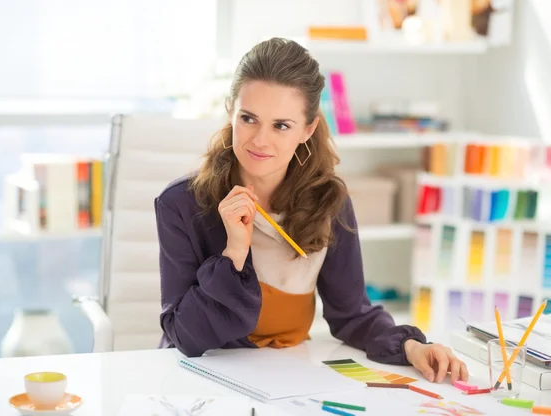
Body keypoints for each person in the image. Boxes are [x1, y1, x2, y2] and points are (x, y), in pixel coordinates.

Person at [155, 37, 468, 384]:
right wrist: (234, 253)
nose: (260, 140)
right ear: (231, 111)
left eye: (281, 125)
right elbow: (184, 337)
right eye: (248, 118)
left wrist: (411, 347)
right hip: (199, 380)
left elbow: (352, 315)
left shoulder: (329, 202)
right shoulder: (179, 204)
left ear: (307, 129)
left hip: (287, 379)